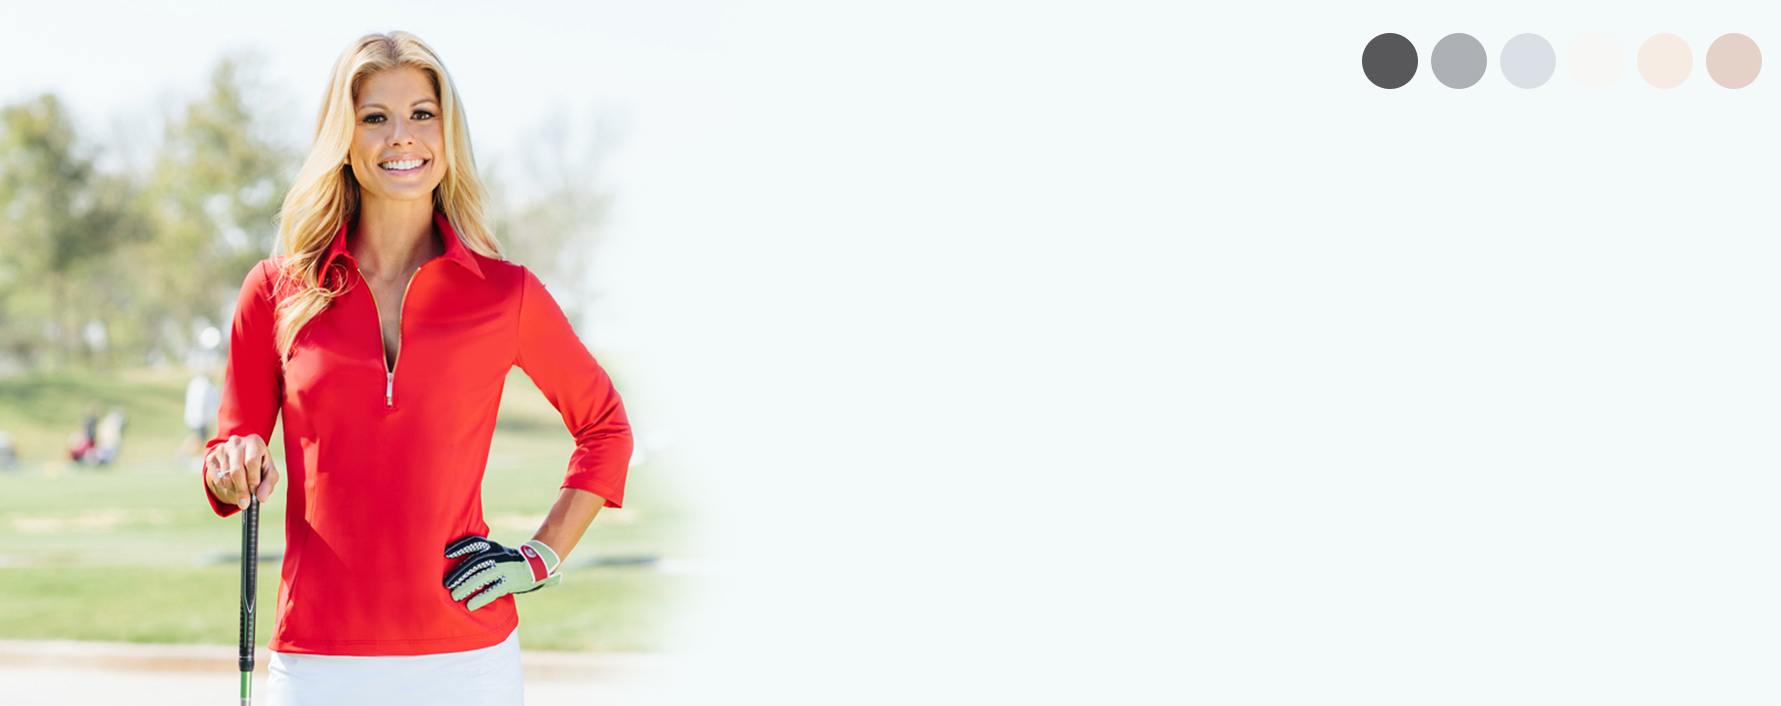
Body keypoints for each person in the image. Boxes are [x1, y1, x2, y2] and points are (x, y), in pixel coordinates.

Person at [200, 31, 632, 706]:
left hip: (468, 664)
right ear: (344, 137)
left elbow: (605, 427)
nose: (401, 136)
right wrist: (231, 465)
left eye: (421, 114)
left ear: (446, 131)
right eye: (375, 117)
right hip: (315, 662)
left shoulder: (504, 293)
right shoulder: (275, 291)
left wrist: (541, 556)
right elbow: (230, 455)